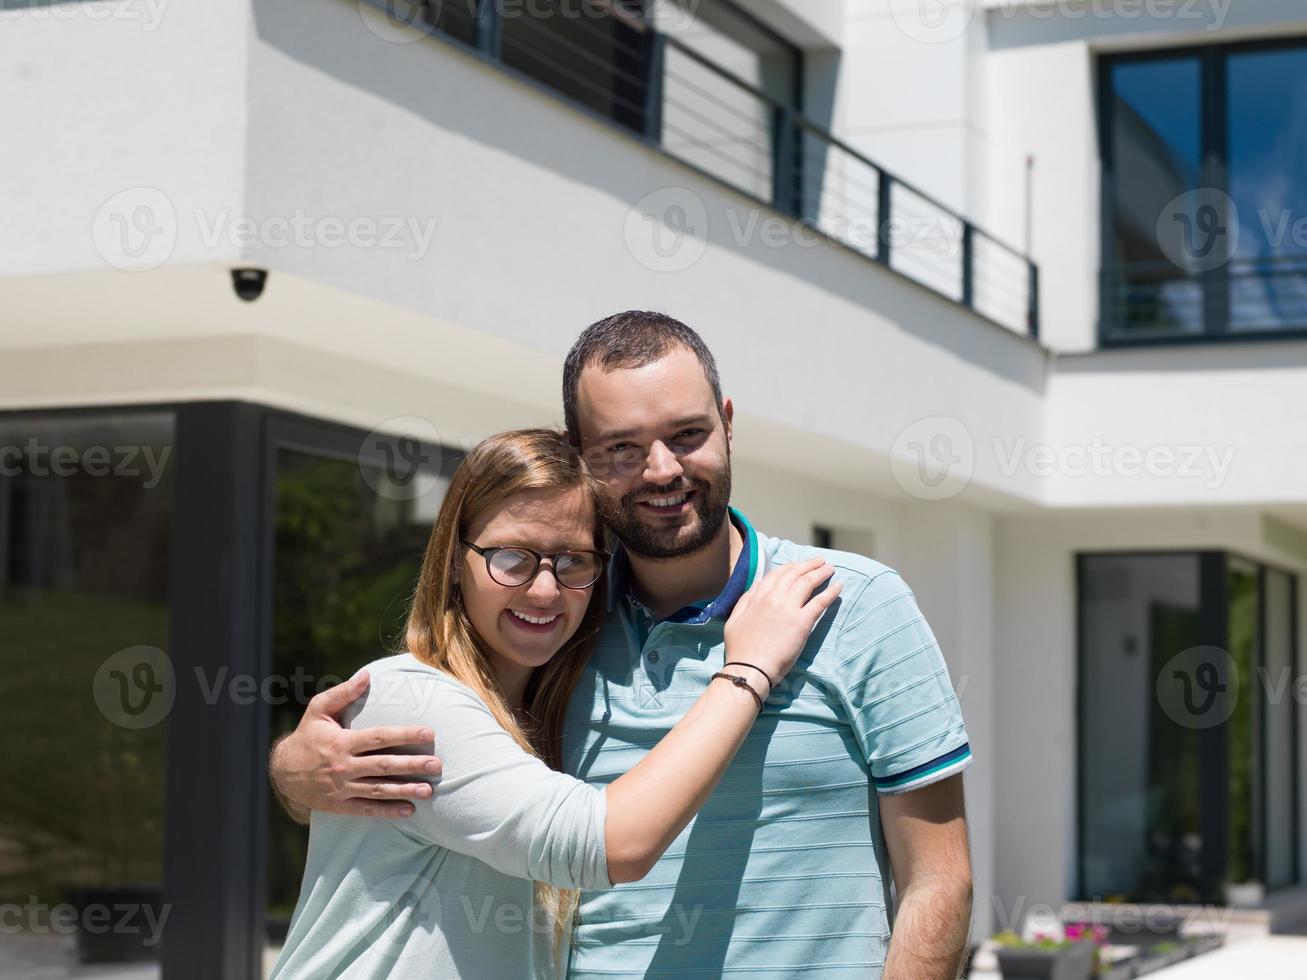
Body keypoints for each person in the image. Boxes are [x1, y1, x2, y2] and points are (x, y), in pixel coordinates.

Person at [271, 313, 975, 979]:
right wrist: (296, 774)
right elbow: (491, 782)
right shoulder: (558, 624)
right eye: (622, 448)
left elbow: (938, 879)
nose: (663, 469)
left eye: (688, 433)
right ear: (581, 457)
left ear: (727, 425)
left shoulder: (854, 602)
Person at [268, 426, 840, 979]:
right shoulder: (414, 698)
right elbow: (613, 844)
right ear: (452, 562)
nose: (545, 590)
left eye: (573, 562)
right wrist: (747, 670)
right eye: (512, 558)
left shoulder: (547, 716)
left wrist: (287, 774)